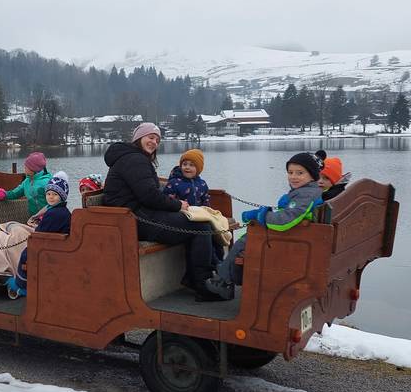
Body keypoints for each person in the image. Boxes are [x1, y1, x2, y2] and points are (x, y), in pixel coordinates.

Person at [103, 122, 221, 301]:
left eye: (157, 140)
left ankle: (194, 279)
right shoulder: (135, 160)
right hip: (135, 219)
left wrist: (174, 206)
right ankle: (202, 285)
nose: (154, 142)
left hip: (137, 215)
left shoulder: (133, 157)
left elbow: (148, 193)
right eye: (150, 137)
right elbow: (149, 195)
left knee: (197, 223)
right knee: (201, 227)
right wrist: (177, 205)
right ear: (139, 138)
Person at [204, 152, 324, 300]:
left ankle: (224, 281)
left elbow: (285, 221)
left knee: (243, 243)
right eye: (290, 172)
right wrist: (263, 214)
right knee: (246, 239)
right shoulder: (307, 192)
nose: (293, 177)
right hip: (296, 237)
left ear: (312, 176)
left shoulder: (305, 195)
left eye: (300, 173)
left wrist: (261, 215)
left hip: (290, 241)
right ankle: (225, 276)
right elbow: (291, 215)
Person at [7, 173, 72, 297]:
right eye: (48, 194)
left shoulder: (53, 213)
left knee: (25, 253)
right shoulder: (63, 211)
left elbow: (39, 234)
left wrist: (36, 228)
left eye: (55, 195)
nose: (50, 197)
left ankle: (22, 284)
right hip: (59, 244)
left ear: (62, 197)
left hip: (51, 247)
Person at [0, 152, 52, 216]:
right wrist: (4, 194)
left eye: (26, 167)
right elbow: (15, 193)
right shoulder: (27, 181)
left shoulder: (47, 182)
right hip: (34, 218)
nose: (24, 168)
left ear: (33, 169)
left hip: (49, 217)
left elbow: (54, 201)